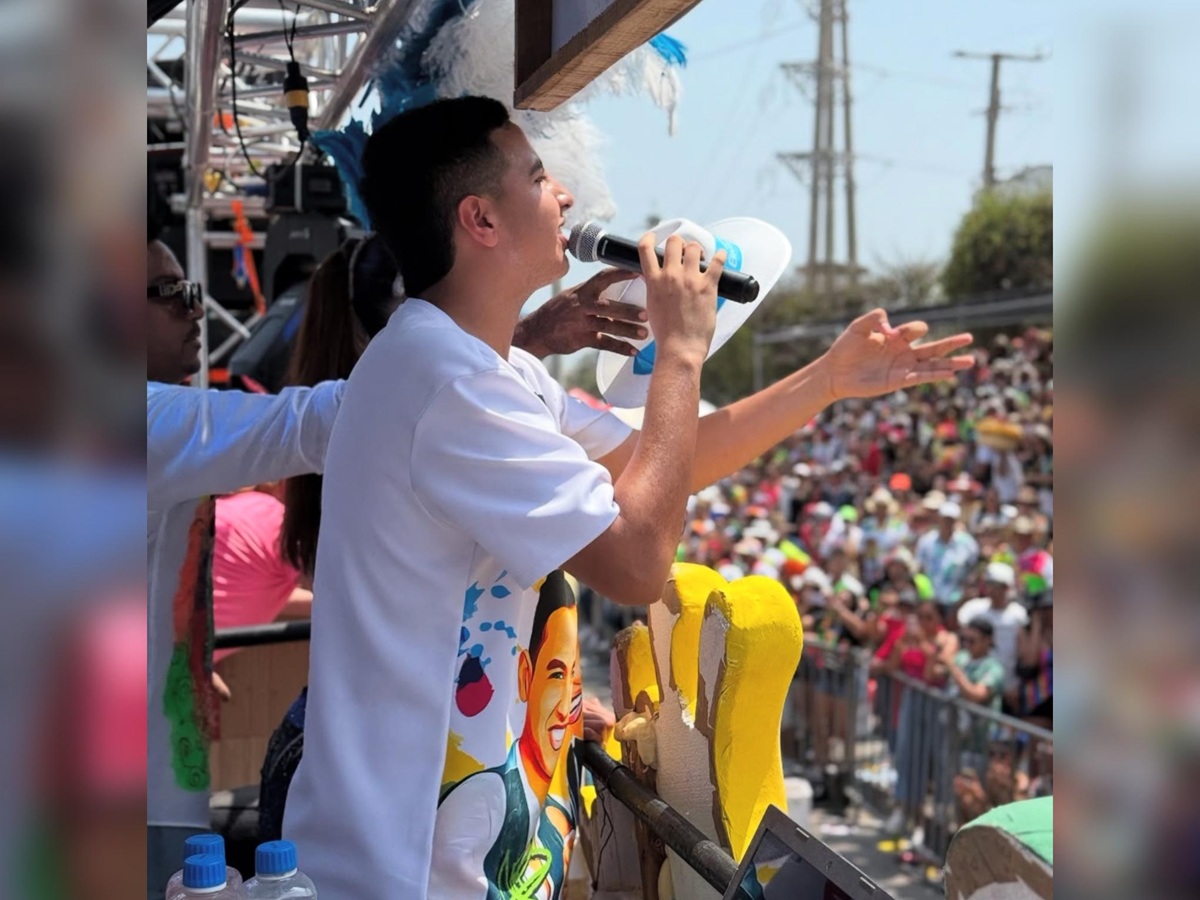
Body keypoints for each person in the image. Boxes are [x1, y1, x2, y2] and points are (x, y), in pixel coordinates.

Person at [282, 96, 973, 897]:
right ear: (481, 220)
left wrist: (827, 380)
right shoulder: (449, 382)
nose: (565, 196)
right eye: (538, 177)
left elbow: (670, 460)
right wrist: (679, 351)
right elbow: (640, 560)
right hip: (404, 868)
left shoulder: (493, 370)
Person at [147, 221, 642, 897]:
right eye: (169, 291)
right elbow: (367, 410)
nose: (195, 309)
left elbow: (360, 411)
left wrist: (510, 344)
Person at [955, 561, 1028, 694]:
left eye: (997, 586)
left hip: (1008, 684)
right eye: (989, 584)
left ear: (1007, 588)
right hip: (975, 678)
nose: (992, 590)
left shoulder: (1018, 614)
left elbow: (1022, 651)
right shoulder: (973, 608)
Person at [915, 500, 979, 610]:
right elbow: (920, 570)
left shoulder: (967, 543)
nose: (947, 523)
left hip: (957, 601)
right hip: (931, 600)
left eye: (951, 520)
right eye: (945, 519)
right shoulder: (926, 541)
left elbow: (973, 570)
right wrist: (925, 596)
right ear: (939, 519)